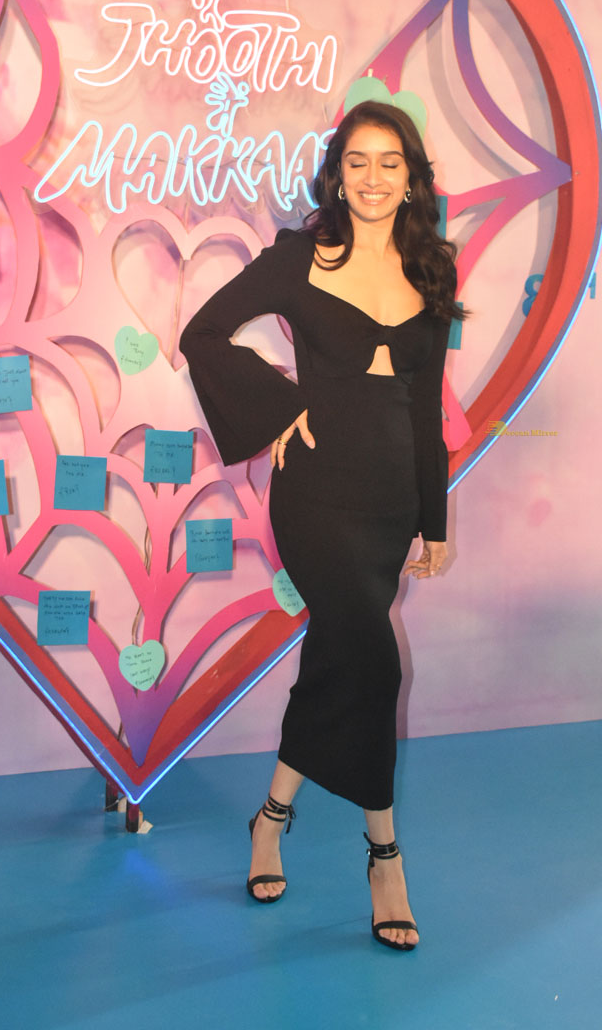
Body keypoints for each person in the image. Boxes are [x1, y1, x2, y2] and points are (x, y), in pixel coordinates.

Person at [179, 99, 464, 951]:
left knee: (337, 661)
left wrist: (434, 519)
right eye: (358, 162)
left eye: (390, 163)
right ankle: (385, 856)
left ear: (411, 178)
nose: (373, 178)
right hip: (314, 497)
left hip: (389, 500)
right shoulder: (300, 257)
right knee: (375, 663)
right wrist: (279, 407)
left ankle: (271, 817)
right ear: (337, 174)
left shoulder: (432, 271)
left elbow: (425, 412)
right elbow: (203, 334)